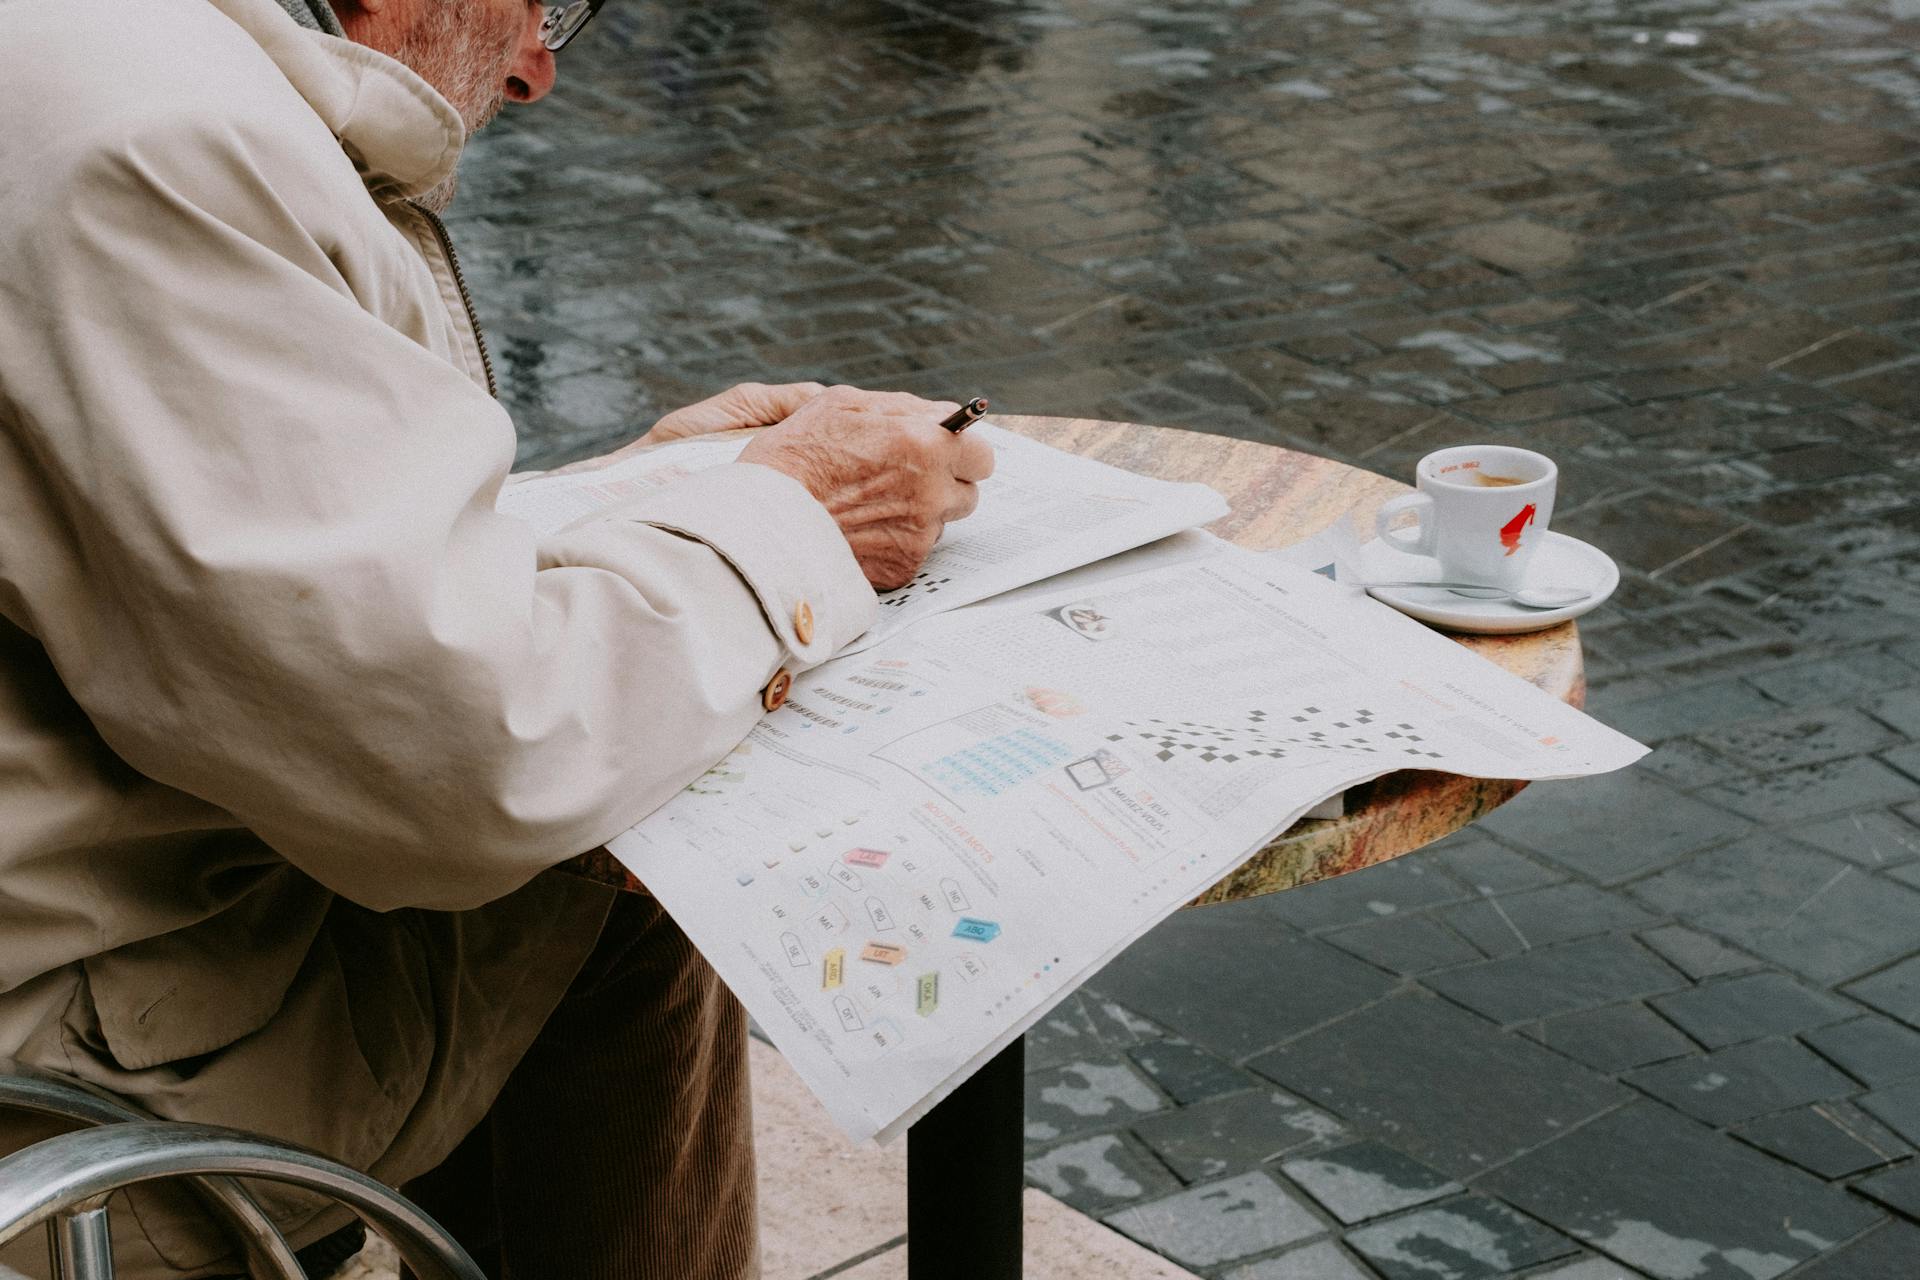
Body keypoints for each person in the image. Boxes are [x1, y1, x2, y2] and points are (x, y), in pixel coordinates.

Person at [0, 0, 993, 1275]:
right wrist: (800, 523)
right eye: (550, 5)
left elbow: (230, 562)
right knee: (623, 850)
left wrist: (646, 507)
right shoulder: (160, 145)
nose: (536, 72)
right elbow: (472, 760)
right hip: (60, 1087)